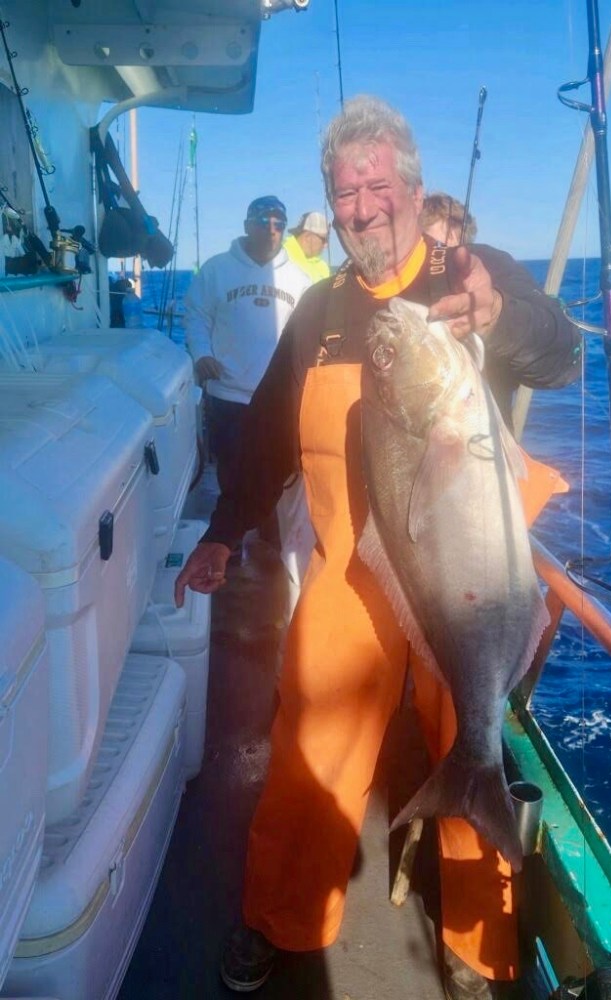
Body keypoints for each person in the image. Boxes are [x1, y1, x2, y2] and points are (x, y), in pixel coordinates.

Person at [175, 95, 581, 1000]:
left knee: (468, 732)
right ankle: (280, 917)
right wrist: (221, 529)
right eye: (342, 190)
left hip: (465, 579)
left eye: (376, 183)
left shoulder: (472, 275)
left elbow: (560, 353)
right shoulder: (318, 309)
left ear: (414, 185)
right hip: (351, 575)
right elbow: (270, 439)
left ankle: (481, 945)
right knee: (306, 747)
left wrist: (502, 318)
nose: (360, 206)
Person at [184, 195, 311, 471]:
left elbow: (306, 337)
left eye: (279, 223)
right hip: (228, 397)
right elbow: (196, 316)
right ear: (247, 225)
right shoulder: (215, 269)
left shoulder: (300, 279)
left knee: (276, 480)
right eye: (263, 221)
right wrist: (201, 354)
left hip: (279, 399)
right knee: (232, 480)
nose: (272, 229)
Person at [283, 210, 331, 282]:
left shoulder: (323, 267)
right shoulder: (282, 256)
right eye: (324, 240)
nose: (326, 245)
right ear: (307, 237)